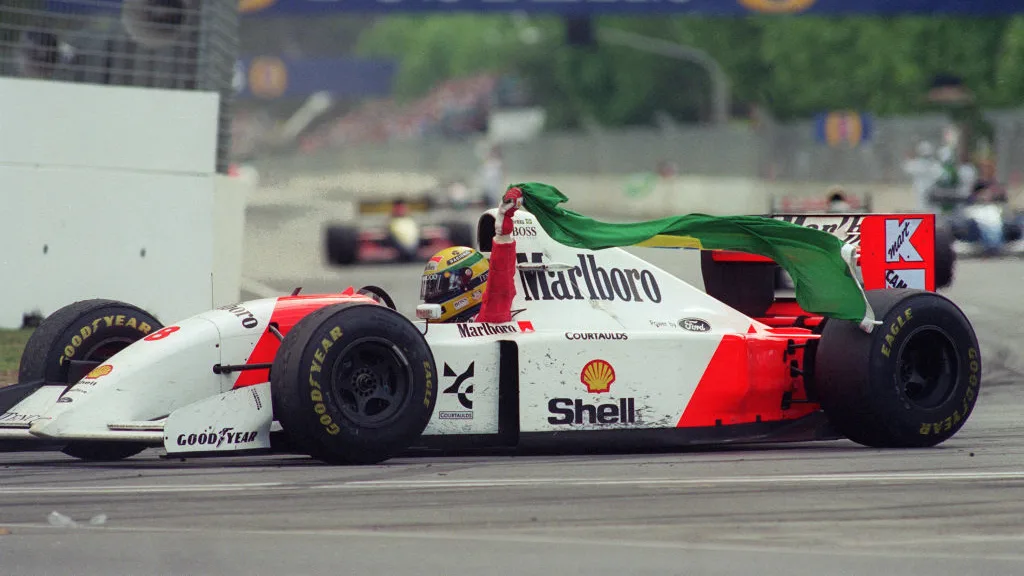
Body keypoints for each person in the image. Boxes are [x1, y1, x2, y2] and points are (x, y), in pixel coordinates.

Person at [419, 188, 523, 323]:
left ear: (472, 287)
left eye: (440, 287)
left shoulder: (489, 318)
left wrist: (503, 232)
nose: (431, 297)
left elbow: (501, 283)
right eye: (431, 288)